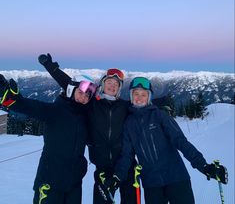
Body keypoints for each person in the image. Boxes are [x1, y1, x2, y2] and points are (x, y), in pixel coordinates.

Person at [99, 77, 228, 204]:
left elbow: (181, 142)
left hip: (176, 178)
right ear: (131, 96)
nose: (139, 97)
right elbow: (126, 156)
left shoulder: (159, 116)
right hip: (152, 184)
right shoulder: (128, 124)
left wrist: (204, 166)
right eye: (136, 94)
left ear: (149, 97)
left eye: (143, 94)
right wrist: (117, 178)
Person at [38, 53, 137, 204]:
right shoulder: (93, 104)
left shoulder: (125, 106)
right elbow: (71, 85)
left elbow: (143, 104)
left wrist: (161, 104)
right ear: (103, 85)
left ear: (119, 89)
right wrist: (51, 67)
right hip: (103, 168)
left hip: (125, 166)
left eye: (116, 85)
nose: (112, 86)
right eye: (109, 82)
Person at [0, 73, 97, 204]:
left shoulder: (85, 117)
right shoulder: (55, 111)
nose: (83, 98)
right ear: (71, 90)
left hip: (73, 184)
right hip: (50, 182)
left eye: (87, 96)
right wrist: (11, 100)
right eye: (81, 92)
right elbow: (30, 107)